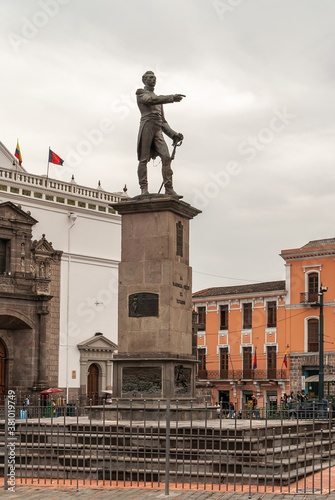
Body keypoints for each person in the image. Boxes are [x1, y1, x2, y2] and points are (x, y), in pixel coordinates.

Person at [136, 70, 185, 197]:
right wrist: (172, 98)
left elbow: (163, 121)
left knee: (166, 157)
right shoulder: (141, 93)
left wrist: (173, 134)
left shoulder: (159, 100)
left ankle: (169, 188)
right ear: (144, 80)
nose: (153, 80)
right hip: (147, 126)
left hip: (157, 128)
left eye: (154, 78)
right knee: (143, 159)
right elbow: (151, 100)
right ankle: (143, 189)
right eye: (150, 78)